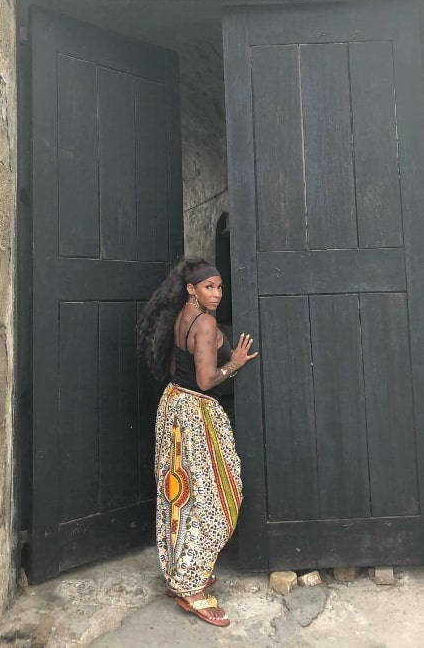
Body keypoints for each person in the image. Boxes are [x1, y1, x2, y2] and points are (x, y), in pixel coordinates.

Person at [137, 257, 258, 627]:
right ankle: (191, 589)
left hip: (175, 406)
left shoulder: (183, 316)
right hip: (195, 414)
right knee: (216, 497)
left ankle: (183, 574)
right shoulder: (204, 323)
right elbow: (206, 380)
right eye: (209, 287)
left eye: (219, 287)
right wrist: (235, 363)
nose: (217, 294)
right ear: (192, 289)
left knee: (181, 496)